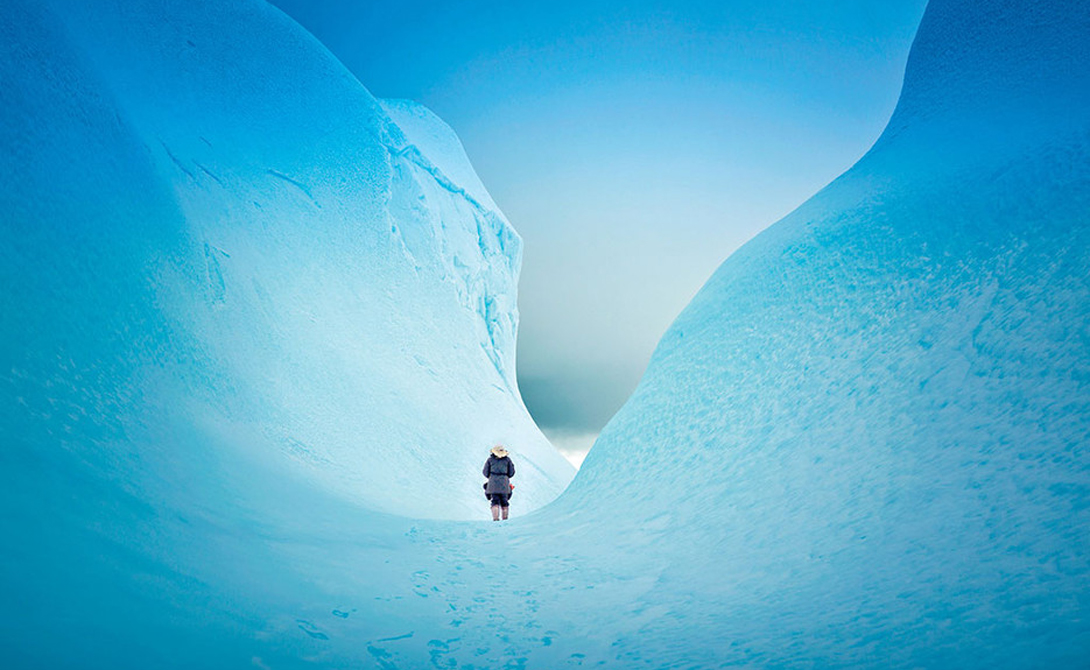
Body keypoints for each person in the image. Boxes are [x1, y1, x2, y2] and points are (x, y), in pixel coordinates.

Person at [482, 445, 515, 521]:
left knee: (495, 500)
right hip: (504, 483)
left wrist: (492, 477)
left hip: (493, 483)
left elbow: (485, 472)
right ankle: (505, 519)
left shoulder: (490, 460)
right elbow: (511, 473)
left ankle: (496, 518)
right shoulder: (508, 460)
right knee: (504, 501)